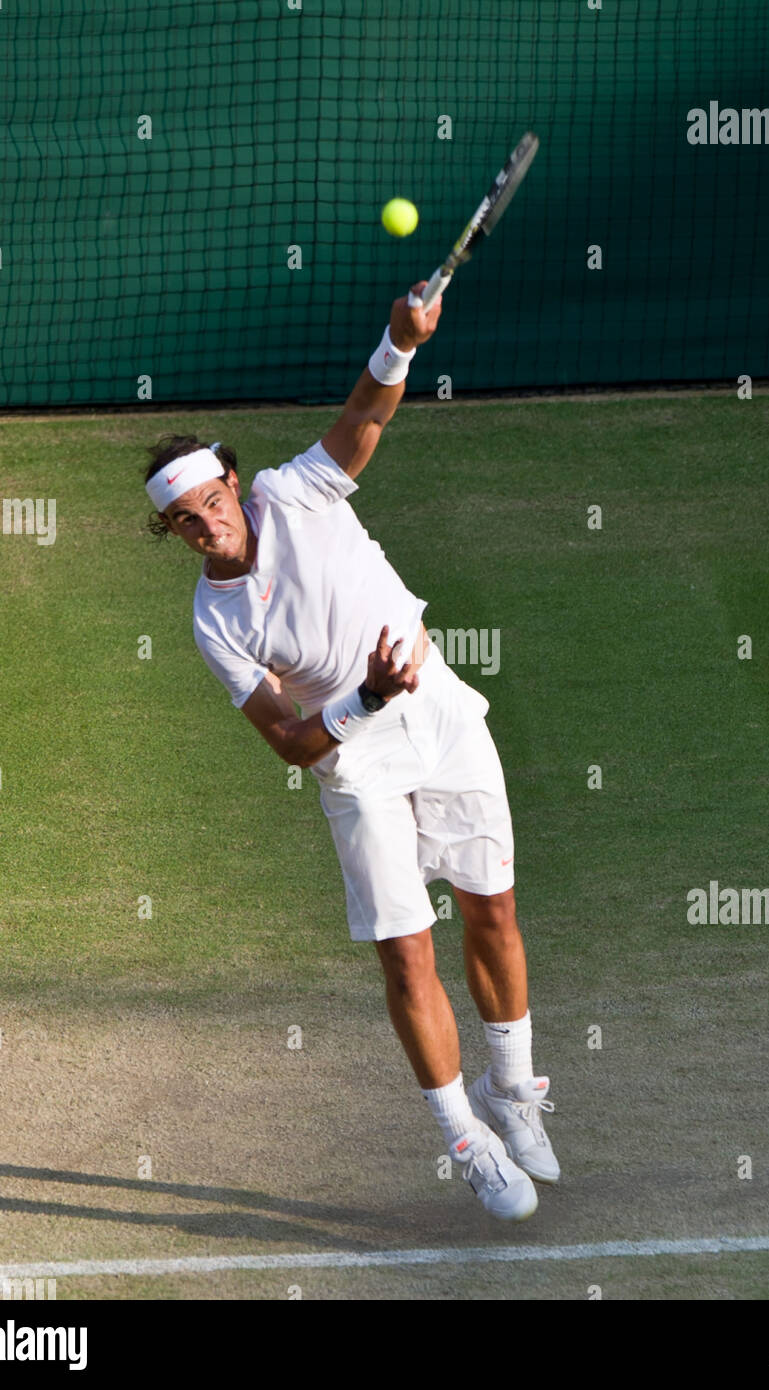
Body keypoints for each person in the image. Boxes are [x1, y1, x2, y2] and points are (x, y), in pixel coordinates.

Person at [143, 283, 558, 1221]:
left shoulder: (293, 491)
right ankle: (464, 1138)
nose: (210, 520)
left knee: (492, 908)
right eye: (187, 518)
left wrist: (400, 344)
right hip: (354, 757)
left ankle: (513, 1090)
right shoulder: (214, 621)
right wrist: (364, 698)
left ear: (232, 487)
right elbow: (292, 742)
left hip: (439, 708)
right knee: (408, 957)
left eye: (214, 498)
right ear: (172, 533)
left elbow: (364, 418)